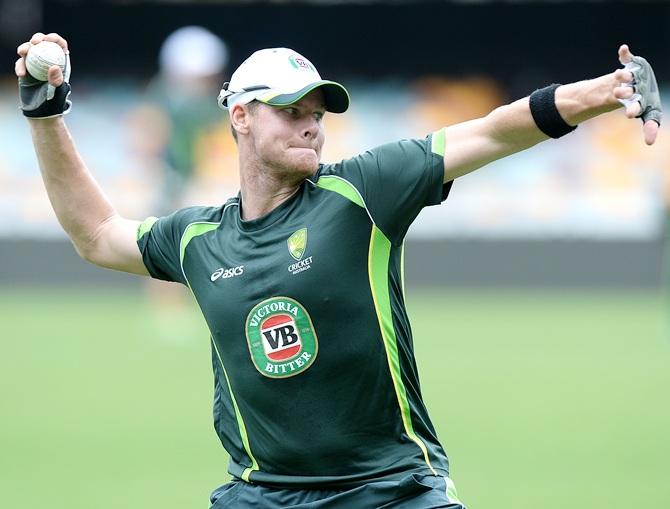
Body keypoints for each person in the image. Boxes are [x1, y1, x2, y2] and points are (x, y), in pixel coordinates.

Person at [16, 31, 662, 509]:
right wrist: (46, 113)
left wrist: (607, 91)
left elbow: (494, 131)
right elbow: (97, 234)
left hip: (393, 490)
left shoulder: (364, 190)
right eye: (291, 112)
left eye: (317, 114)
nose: (311, 127)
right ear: (240, 116)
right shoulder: (197, 236)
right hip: (260, 495)